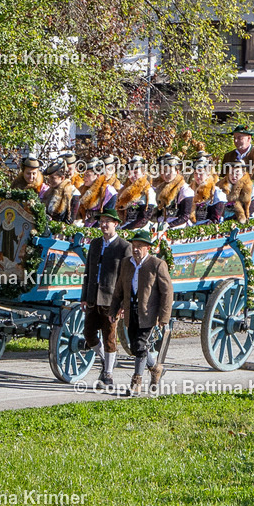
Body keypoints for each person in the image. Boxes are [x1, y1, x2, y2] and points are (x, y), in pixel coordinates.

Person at [111, 229, 174, 396]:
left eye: (140, 246)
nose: (136, 249)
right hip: (131, 311)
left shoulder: (157, 264)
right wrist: (114, 309)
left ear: (148, 248)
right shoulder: (126, 263)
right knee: (135, 347)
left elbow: (167, 292)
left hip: (148, 313)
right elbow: (119, 288)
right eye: (134, 245)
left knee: (140, 345)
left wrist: (164, 316)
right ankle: (156, 368)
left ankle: (136, 382)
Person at [80, 209, 132, 390]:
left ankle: (108, 374)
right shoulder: (95, 244)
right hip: (93, 297)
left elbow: (126, 278)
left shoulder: (124, 247)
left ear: (115, 224)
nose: (103, 225)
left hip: (111, 300)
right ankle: (105, 359)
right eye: (101, 221)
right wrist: (84, 297)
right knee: (88, 333)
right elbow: (88, 272)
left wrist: (123, 303)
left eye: (107, 222)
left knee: (109, 336)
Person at [152, 154, 194, 228]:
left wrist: (169, 226)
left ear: (177, 172)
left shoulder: (184, 189)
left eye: (169, 171)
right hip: (161, 223)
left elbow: (185, 216)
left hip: (178, 225)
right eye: (164, 171)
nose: (166, 174)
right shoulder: (160, 188)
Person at [116, 156, 156, 230]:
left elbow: (145, 218)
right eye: (130, 173)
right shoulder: (124, 191)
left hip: (141, 228)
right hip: (125, 226)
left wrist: (127, 228)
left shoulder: (148, 191)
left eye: (135, 173)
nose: (132, 176)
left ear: (143, 173)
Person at [78, 157, 118, 226]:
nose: (84, 178)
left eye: (88, 175)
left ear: (97, 175)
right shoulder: (82, 190)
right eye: (84, 175)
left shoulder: (109, 192)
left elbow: (108, 216)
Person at [188, 152, 226, 224]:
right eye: (195, 173)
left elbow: (215, 219)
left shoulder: (217, 192)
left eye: (201, 173)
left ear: (208, 174)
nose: (198, 176)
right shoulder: (189, 189)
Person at [41, 158, 81, 224]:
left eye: (53, 178)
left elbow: (70, 220)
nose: (49, 180)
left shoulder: (72, 194)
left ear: (62, 178)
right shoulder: (49, 191)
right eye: (49, 177)